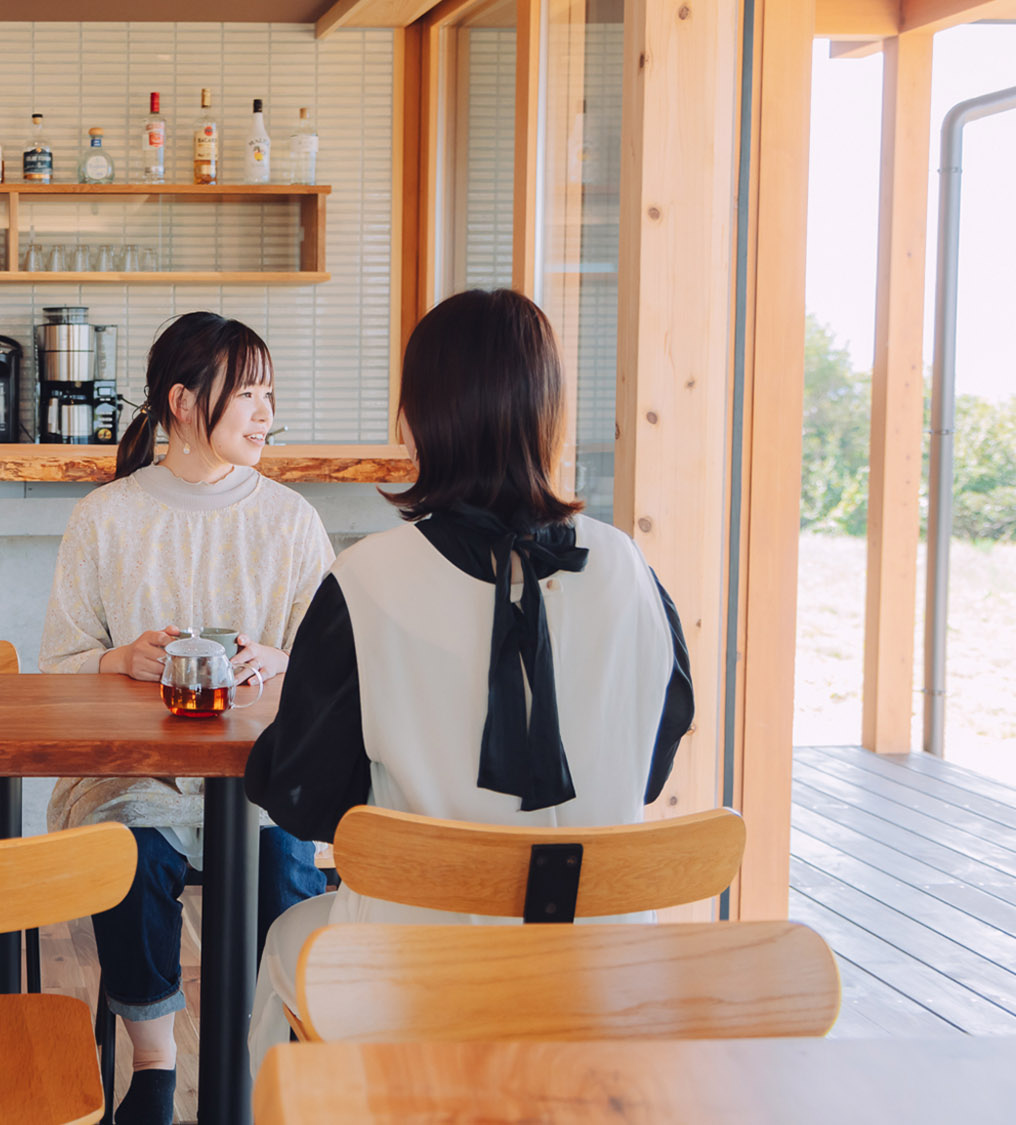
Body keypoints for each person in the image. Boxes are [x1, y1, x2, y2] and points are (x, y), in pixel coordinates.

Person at [242, 288, 694, 1068]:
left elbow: (307, 799)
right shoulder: (629, 567)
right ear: (548, 418)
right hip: (602, 971)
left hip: (415, 976)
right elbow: (652, 765)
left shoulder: (367, 581)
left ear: (417, 419)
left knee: (289, 937)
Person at [40, 311, 332, 1125]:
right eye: (247, 394)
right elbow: (60, 665)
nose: (266, 413)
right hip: (137, 781)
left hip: (261, 782)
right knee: (129, 855)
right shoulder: (106, 519)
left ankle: (269, 1064)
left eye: (270, 394)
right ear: (182, 402)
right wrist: (116, 659)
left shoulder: (291, 521)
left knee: (285, 869)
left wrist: (282, 659)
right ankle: (156, 1070)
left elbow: (333, 673)